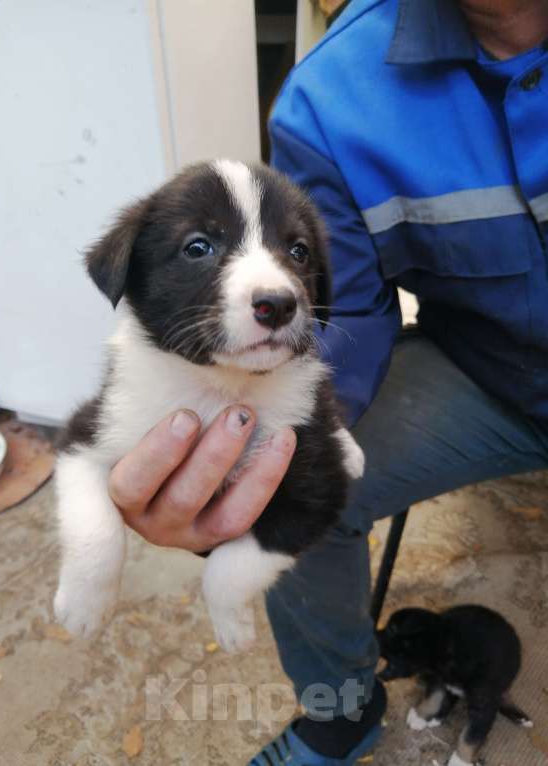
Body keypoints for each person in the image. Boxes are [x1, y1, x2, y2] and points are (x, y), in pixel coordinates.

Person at [109, 1, 548, 763]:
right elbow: (344, 318)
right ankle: (340, 709)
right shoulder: (327, 101)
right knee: (291, 493)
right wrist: (253, 452)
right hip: (496, 377)